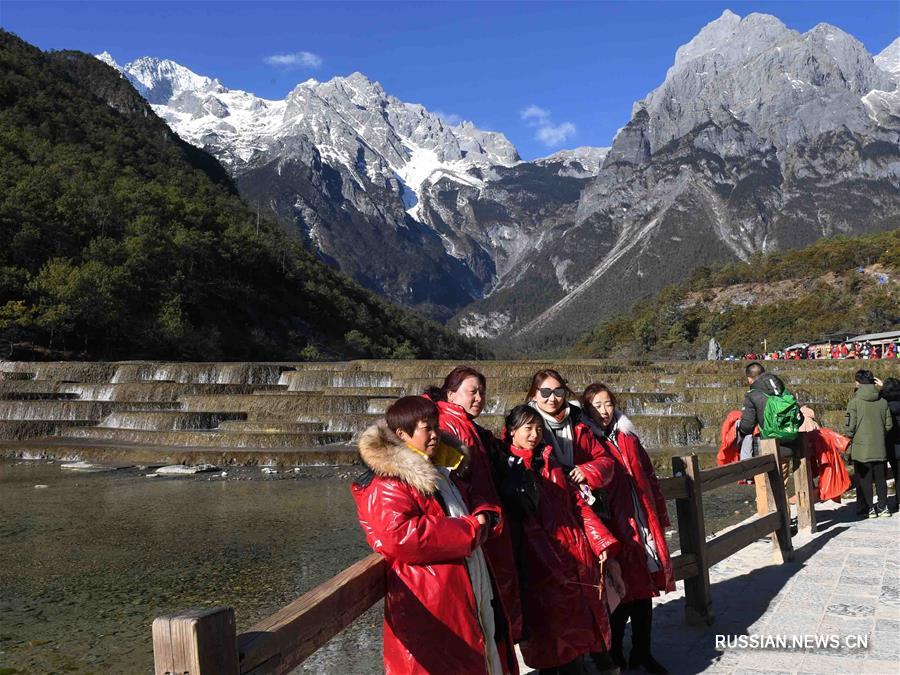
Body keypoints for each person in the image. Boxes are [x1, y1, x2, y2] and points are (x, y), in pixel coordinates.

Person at [351, 396, 516, 674]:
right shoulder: (390, 481)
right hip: (431, 594)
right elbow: (399, 536)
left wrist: (485, 512)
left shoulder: (441, 468)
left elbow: (464, 501)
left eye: (436, 426)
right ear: (402, 434)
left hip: (458, 584)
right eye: (426, 428)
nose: (435, 434)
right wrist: (471, 529)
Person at [496, 404, 623, 674]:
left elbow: (576, 503)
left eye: (538, 429)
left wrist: (600, 542)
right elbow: (525, 526)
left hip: (574, 554)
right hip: (543, 565)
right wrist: (551, 562)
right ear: (511, 431)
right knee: (554, 640)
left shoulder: (548, 459)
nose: (534, 434)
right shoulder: (508, 468)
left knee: (578, 632)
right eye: (527, 428)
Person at [426, 365, 524, 643]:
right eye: (473, 392)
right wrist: (484, 514)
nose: (479, 397)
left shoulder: (467, 425)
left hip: (483, 525)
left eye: (482, 392)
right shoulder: (448, 426)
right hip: (476, 530)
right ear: (452, 395)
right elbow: (453, 485)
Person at [580, 383, 674, 674]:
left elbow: (647, 474)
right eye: (597, 405)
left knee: (643, 590)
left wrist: (659, 514)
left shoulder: (627, 436)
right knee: (618, 594)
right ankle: (615, 654)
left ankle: (642, 652)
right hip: (612, 526)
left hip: (641, 521)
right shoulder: (585, 442)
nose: (604, 410)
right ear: (587, 409)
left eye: (608, 403)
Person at [525, 369, 616, 491]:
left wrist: (587, 471)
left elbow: (605, 461)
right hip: (541, 500)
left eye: (558, 392)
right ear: (534, 395)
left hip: (577, 500)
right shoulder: (522, 424)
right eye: (546, 392)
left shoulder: (578, 424)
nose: (552, 399)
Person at [843, 371, 893, 518]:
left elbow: (849, 427)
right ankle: (883, 507)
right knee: (880, 478)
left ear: (858, 383)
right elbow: (888, 425)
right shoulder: (883, 401)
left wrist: (849, 436)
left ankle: (869, 508)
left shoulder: (854, 402)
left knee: (864, 479)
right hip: (880, 447)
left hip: (861, 448)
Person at [881, 377, 900, 511]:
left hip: (891, 444)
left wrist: (881, 389)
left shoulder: (883, 403)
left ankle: (897, 500)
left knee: (896, 472)